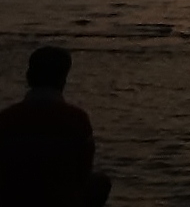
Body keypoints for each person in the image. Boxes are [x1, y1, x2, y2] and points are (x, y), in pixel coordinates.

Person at [0, 46, 111, 207]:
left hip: (14, 198)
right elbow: (83, 172)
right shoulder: (77, 119)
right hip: (61, 199)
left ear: (28, 76)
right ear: (63, 80)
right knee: (101, 182)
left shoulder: (6, 118)